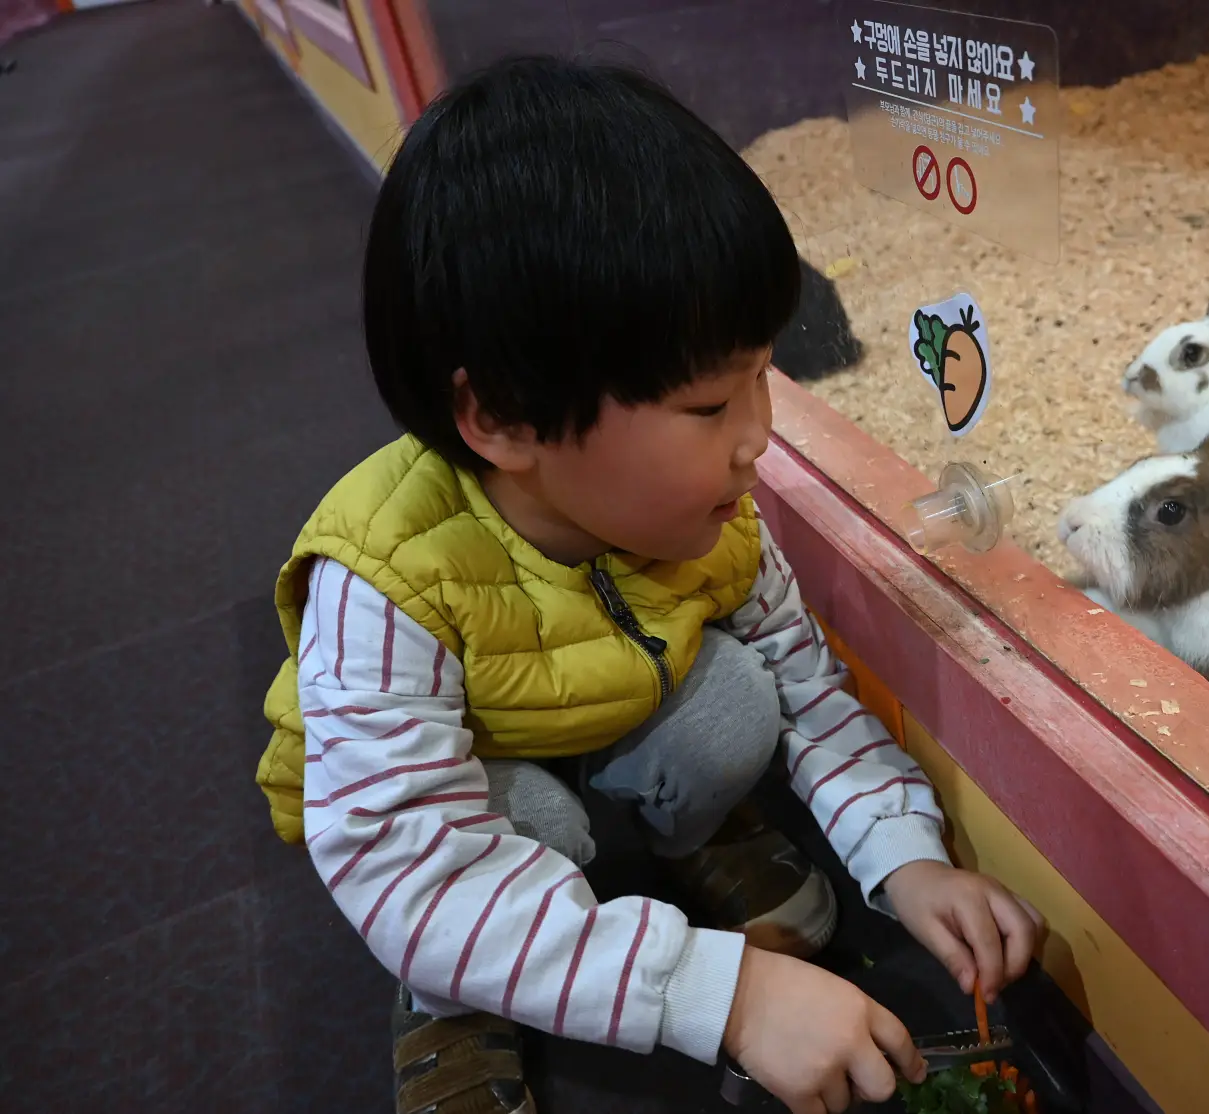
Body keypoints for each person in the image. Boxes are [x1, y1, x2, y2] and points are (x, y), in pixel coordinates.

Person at [255, 56, 1040, 1114]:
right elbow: (404, 863)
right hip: (466, 788)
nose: (756, 439)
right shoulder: (382, 579)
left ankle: (694, 839)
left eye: (762, 378)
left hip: (602, 705)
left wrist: (907, 860)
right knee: (526, 825)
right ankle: (445, 998)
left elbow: (808, 696)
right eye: (710, 406)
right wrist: (721, 995)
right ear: (503, 419)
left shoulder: (706, 519)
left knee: (739, 701)